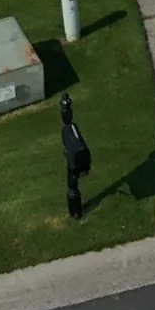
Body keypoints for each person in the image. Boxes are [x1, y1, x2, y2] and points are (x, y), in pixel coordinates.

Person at [60, 93, 92, 221]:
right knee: (72, 186)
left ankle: (76, 212)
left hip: (74, 162)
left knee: (72, 185)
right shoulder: (71, 129)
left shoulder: (68, 130)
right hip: (77, 159)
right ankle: (76, 212)